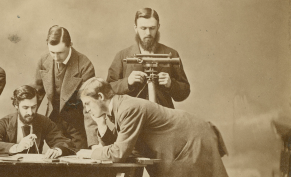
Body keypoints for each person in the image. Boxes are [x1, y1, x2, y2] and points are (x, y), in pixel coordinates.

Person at [77, 77, 228, 177]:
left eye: (87, 103)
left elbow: (118, 152)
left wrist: (91, 153)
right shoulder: (118, 108)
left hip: (191, 138)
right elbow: (119, 145)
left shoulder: (128, 108)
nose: (87, 109)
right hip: (182, 141)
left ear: (101, 97)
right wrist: (101, 125)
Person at [107, 8, 190, 109]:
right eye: (143, 28)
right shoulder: (122, 55)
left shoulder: (171, 54)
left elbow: (184, 92)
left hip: (163, 117)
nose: (148, 33)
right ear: (135, 28)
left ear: (158, 27)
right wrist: (127, 82)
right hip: (132, 117)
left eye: (152, 28)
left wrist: (171, 84)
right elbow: (107, 89)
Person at [33, 25, 97, 149]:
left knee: (78, 164)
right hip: (53, 123)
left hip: (77, 126)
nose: (56, 57)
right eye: (52, 52)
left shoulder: (84, 65)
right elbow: (36, 94)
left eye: (60, 53)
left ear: (70, 45)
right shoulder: (43, 61)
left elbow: (90, 104)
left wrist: (93, 142)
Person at [0, 85, 75, 158]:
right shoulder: (5, 122)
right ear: (16, 105)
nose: (30, 112)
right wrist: (16, 147)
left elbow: (64, 141)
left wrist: (58, 150)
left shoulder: (43, 121)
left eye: (33, 107)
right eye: (25, 107)